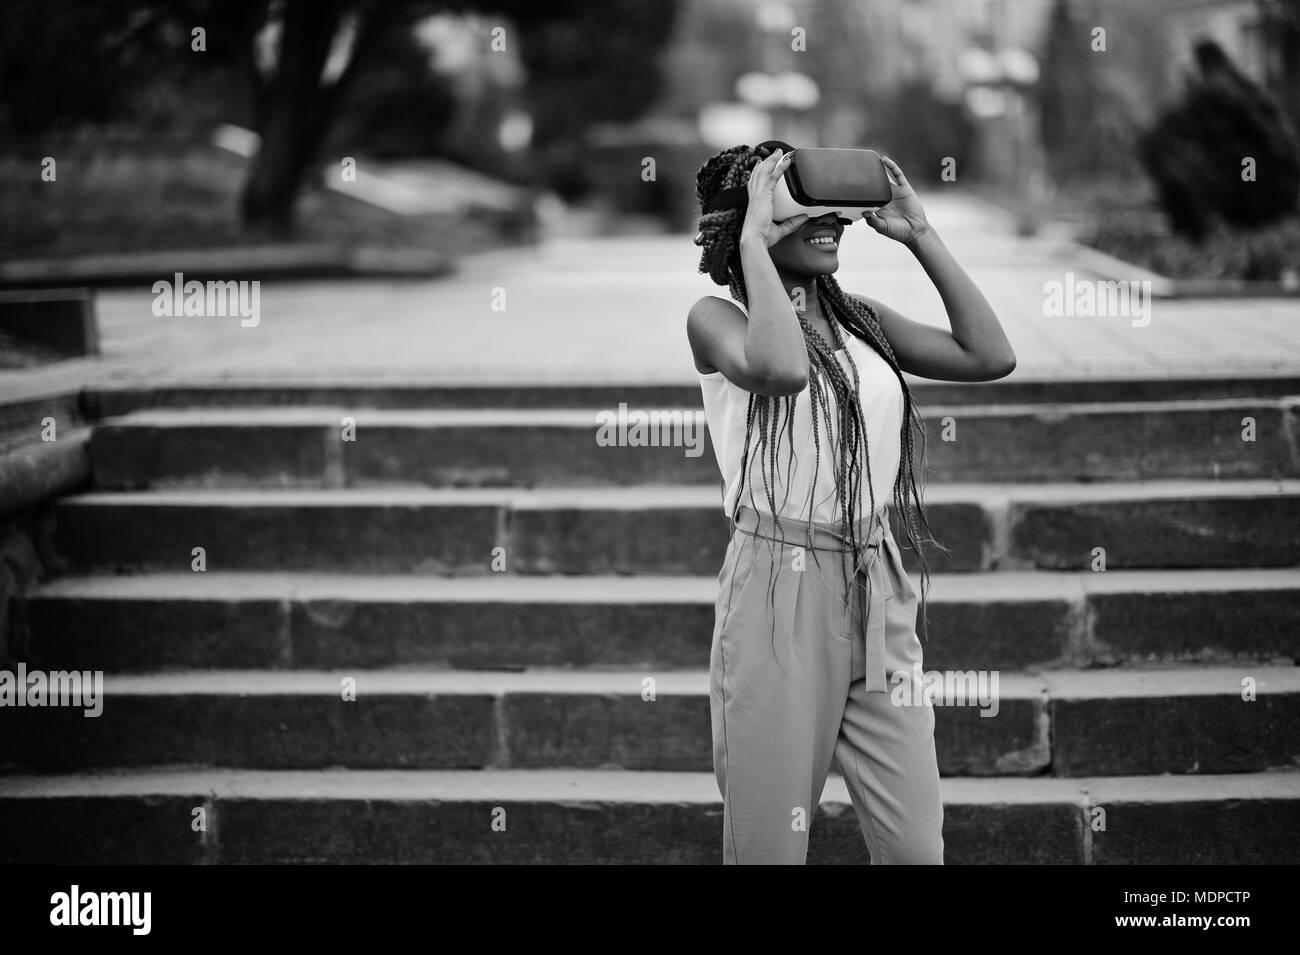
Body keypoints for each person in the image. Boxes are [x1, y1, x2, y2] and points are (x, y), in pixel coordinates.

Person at [688, 143, 1016, 864]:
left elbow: (989, 356)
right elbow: (779, 370)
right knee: (769, 845)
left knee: (914, 849)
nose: (833, 221)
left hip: (876, 585)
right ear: (755, 222)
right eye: (803, 206)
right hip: (778, 590)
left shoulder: (863, 320)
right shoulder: (716, 319)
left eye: (838, 208)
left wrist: (920, 233)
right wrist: (754, 246)